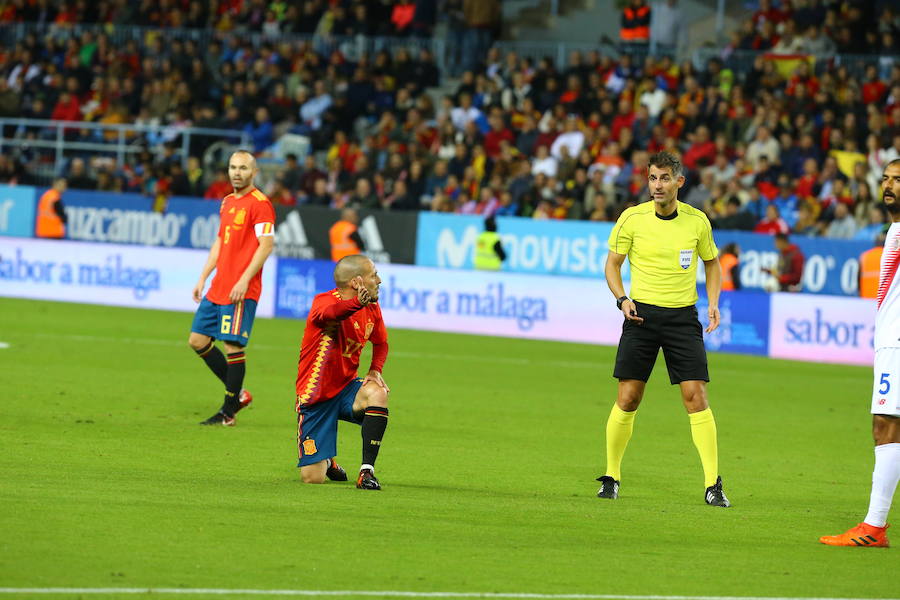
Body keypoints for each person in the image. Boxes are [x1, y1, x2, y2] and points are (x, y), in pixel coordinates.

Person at [599, 151, 729, 507]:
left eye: (665, 179)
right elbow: (612, 265)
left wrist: (713, 302)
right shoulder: (632, 218)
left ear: (679, 182)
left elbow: (712, 264)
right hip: (640, 316)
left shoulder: (697, 221)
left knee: (695, 396)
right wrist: (622, 299)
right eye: (653, 178)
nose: (658, 185)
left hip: (682, 319)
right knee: (628, 397)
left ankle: (712, 484)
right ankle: (611, 476)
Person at [820, 159, 900, 547]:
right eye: (886, 178)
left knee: (885, 424)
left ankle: (873, 527)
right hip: (890, 340)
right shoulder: (894, 229)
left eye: (898, 180)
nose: (888, 185)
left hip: (897, 344)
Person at [188, 150, 276, 426]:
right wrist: (203, 276)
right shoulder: (227, 202)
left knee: (232, 346)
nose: (237, 172)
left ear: (254, 172)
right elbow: (219, 242)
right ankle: (238, 395)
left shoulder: (261, 204)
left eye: (243, 168)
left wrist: (244, 279)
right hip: (218, 287)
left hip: (240, 289)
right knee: (197, 341)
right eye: (233, 167)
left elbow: (266, 245)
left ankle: (228, 412)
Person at [295, 254, 390, 490]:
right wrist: (358, 303)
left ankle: (366, 472)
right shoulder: (323, 301)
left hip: (346, 390)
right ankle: (326, 460)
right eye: (373, 275)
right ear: (357, 282)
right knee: (312, 478)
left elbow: (381, 343)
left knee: (378, 393)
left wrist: (375, 369)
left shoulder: (372, 308)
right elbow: (331, 315)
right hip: (315, 398)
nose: (379, 280)